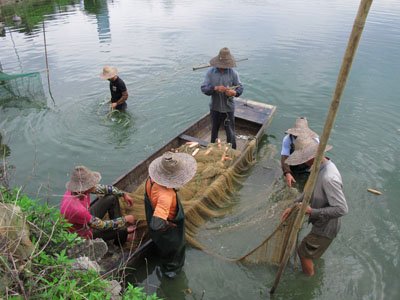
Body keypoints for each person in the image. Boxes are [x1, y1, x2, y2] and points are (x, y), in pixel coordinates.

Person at [281, 137, 348, 276]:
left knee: (303, 253)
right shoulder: (318, 167)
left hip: (326, 227)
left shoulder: (329, 178)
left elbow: (342, 209)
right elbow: (308, 191)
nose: (304, 162)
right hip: (320, 222)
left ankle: (308, 280)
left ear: (312, 156)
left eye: (304, 159)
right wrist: (292, 205)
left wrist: (312, 211)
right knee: (308, 251)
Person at [144, 151, 197, 278]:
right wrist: (169, 224)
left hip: (154, 219)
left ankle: (162, 254)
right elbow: (156, 224)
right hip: (168, 232)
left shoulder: (151, 180)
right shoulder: (165, 195)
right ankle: (171, 275)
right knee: (173, 256)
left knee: (163, 248)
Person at [60, 165, 136, 246]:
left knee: (112, 197)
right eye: (91, 184)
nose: (94, 185)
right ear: (85, 188)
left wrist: (123, 194)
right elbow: (102, 225)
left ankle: (118, 232)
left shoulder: (77, 191)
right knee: (122, 230)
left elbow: (101, 188)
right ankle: (119, 242)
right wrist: (125, 219)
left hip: (86, 219)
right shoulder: (78, 209)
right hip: (83, 234)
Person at [201, 47, 244, 149]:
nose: (223, 67)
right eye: (221, 65)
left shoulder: (233, 73)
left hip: (228, 108)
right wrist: (215, 88)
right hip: (215, 108)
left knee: (230, 131)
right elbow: (204, 88)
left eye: (225, 65)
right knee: (214, 130)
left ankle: (232, 151)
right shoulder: (210, 73)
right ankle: (212, 148)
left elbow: (240, 88)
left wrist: (234, 92)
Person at [281, 117, 319, 187]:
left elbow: (317, 157)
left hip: (307, 164)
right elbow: (284, 156)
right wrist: (287, 173)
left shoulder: (314, 140)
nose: (297, 136)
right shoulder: (287, 139)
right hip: (292, 162)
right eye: (296, 135)